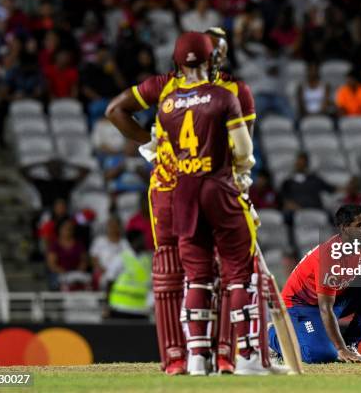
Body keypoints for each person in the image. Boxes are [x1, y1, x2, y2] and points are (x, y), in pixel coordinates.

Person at [106, 26, 258, 375]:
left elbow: (242, 146)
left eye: (222, 51)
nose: (217, 57)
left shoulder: (233, 89)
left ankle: (219, 355)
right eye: (213, 50)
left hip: (197, 188)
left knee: (213, 271)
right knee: (175, 271)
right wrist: (151, 148)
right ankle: (179, 356)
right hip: (179, 189)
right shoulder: (172, 86)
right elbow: (116, 110)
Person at [268, 205, 361, 363]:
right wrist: (340, 350)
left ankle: (350, 343)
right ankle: (273, 336)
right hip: (301, 306)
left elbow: (353, 269)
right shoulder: (330, 257)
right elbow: (325, 308)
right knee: (321, 356)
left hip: (329, 301)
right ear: (345, 228)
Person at [107, 230, 152, 320]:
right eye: (141, 240)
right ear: (133, 241)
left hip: (141, 308)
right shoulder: (121, 258)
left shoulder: (149, 258)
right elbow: (110, 280)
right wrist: (108, 304)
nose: (144, 242)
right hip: (120, 307)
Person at [46, 218, 89, 291]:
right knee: (58, 281)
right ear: (60, 230)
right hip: (60, 273)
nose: (68, 230)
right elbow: (52, 264)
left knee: (85, 280)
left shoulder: (79, 244)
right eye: (65, 228)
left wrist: (79, 271)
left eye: (70, 228)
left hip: (76, 273)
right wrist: (63, 272)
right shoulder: (54, 245)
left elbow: (84, 261)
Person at [90, 216, 130, 289]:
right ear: (107, 227)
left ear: (119, 227)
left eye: (115, 226)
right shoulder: (99, 241)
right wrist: (102, 270)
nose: (113, 228)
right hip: (102, 273)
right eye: (111, 226)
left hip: (120, 275)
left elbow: (129, 261)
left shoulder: (125, 243)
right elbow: (93, 259)